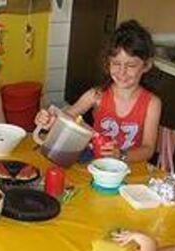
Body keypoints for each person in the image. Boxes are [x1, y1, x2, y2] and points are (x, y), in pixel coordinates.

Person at [34, 20, 161, 162]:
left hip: (130, 169)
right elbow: (67, 116)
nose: (122, 72)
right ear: (108, 63)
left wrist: (121, 155)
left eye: (131, 65)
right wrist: (51, 120)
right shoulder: (96, 95)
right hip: (96, 166)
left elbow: (148, 149)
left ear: (146, 65)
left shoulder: (152, 103)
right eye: (116, 63)